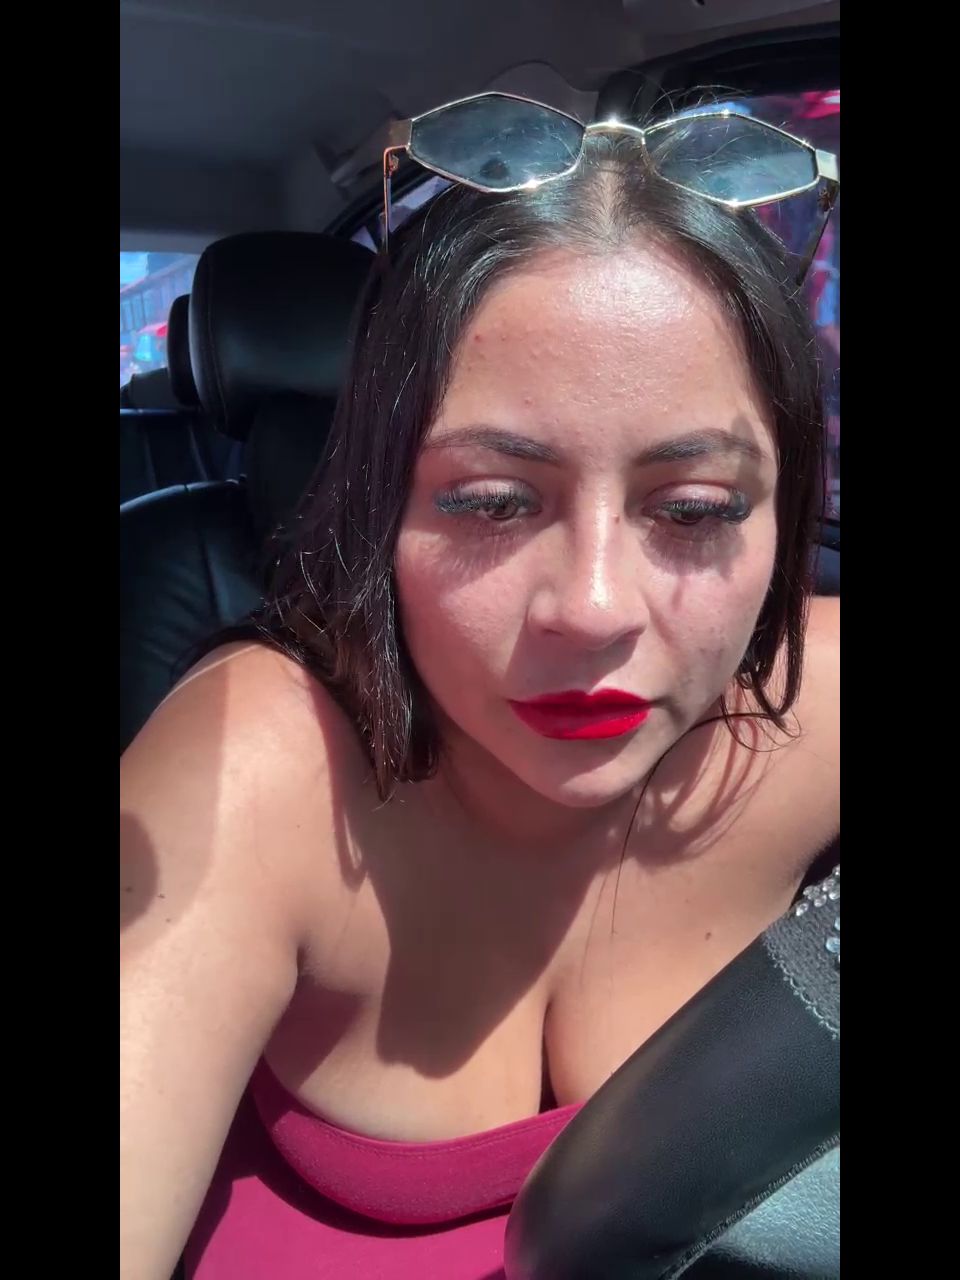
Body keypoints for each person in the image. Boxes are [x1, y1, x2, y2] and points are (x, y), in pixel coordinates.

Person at [120, 99, 840, 1280]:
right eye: (492, 502)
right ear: (382, 507)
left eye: (694, 509)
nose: (593, 606)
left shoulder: (813, 701)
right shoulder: (258, 760)